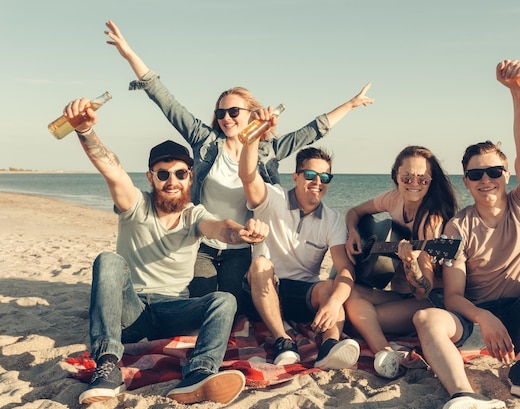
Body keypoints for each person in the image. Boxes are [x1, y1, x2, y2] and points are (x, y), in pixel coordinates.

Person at [104, 20, 374, 311]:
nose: (226, 118)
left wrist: (351, 104)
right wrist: (130, 54)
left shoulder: (268, 150)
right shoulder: (205, 142)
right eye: (221, 112)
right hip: (203, 243)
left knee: (235, 306)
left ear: (250, 114)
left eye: (234, 111)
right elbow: (166, 102)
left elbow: (312, 131)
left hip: (242, 247)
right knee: (200, 302)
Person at [62, 98, 269, 405]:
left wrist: (243, 232)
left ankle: (199, 374)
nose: (172, 181)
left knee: (224, 301)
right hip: (132, 312)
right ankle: (107, 365)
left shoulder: (193, 215)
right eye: (163, 174)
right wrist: (86, 131)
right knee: (108, 260)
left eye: (181, 173)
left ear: (190, 176)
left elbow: (220, 227)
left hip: (174, 309)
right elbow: (112, 169)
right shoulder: (135, 205)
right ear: (150, 177)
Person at [412, 60, 520, 409]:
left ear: (506, 174)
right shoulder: (457, 226)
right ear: (467, 181)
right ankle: (462, 394)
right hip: (477, 321)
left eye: (494, 171)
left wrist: (518, 91)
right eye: (476, 174)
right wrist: (484, 318)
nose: (486, 179)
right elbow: (453, 296)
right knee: (426, 320)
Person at [238, 118, 360, 369]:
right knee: (261, 264)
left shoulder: (332, 219)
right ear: (295, 177)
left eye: (325, 176)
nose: (318, 182)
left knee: (330, 287)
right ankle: (283, 341)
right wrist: (252, 138)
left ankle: (329, 347)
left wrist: (335, 302)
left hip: (302, 293)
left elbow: (345, 269)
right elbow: (248, 177)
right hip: (264, 289)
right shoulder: (273, 198)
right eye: (311, 175)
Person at [343, 145, 458, 378]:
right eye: (407, 176)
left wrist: (412, 264)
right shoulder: (393, 199)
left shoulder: (431, 222)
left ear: (431, 181)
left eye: (422, 179)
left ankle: (384, 352)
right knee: (350, 293)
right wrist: (353, 231)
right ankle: (384, 348)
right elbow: (354, 211)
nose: (413, 182)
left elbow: (422, 291)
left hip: (429, 301)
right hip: (399, 293)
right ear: (396, 175)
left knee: (355, 322)